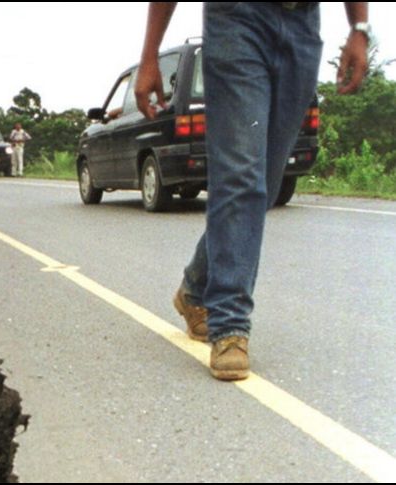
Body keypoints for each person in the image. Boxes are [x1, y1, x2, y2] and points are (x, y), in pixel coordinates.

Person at [134, 2, 369, 380]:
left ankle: (196, 287)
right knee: (241, 176)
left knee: (265, 184)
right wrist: (149, 57)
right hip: (236, 19)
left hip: (302, 25)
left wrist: (360, 27)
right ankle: (230, 326)